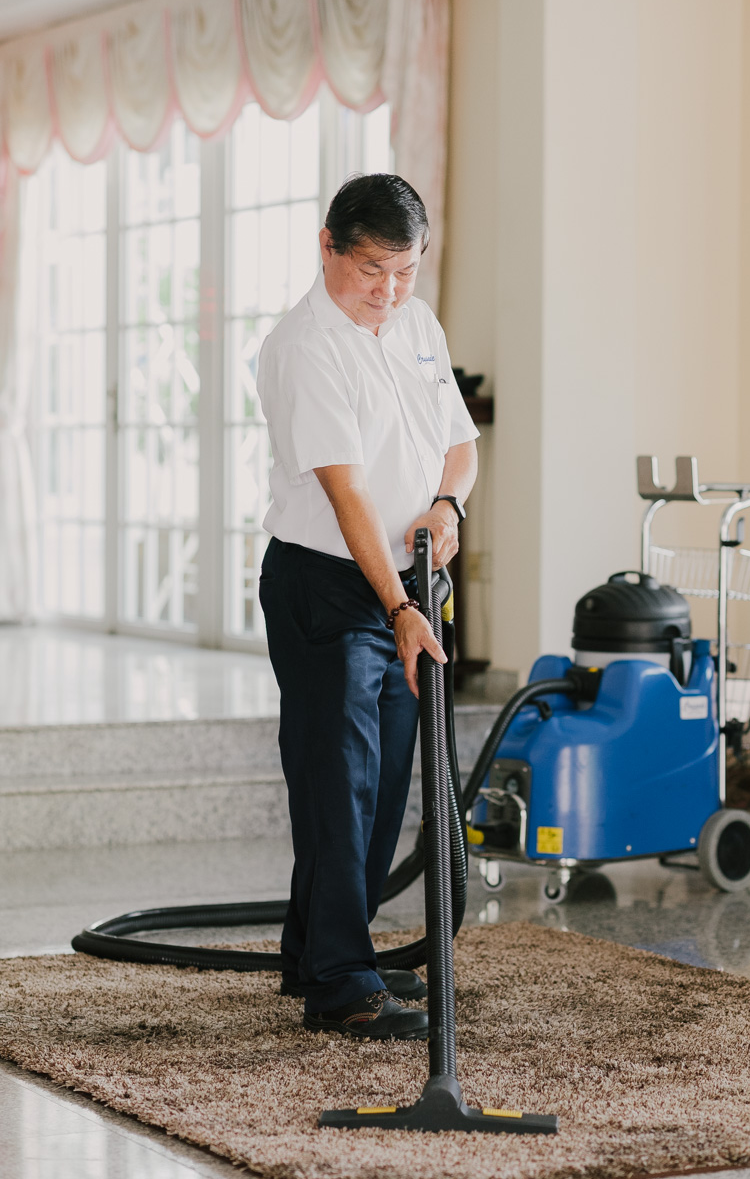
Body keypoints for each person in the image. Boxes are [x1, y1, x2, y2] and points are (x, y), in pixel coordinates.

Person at [257, 173, 478, 1042]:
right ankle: (341, 983)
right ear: (327, 247)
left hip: (406, 580)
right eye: (372, 270)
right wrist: (396, 606)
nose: (388, 290)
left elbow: (458, 443)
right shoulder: (304, 346)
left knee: (387, 772)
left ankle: (315, 946)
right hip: (330, 583)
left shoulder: (416, 326)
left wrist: (446, 506)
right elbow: (346, 495)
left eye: (405, 270)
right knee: (337, 780)